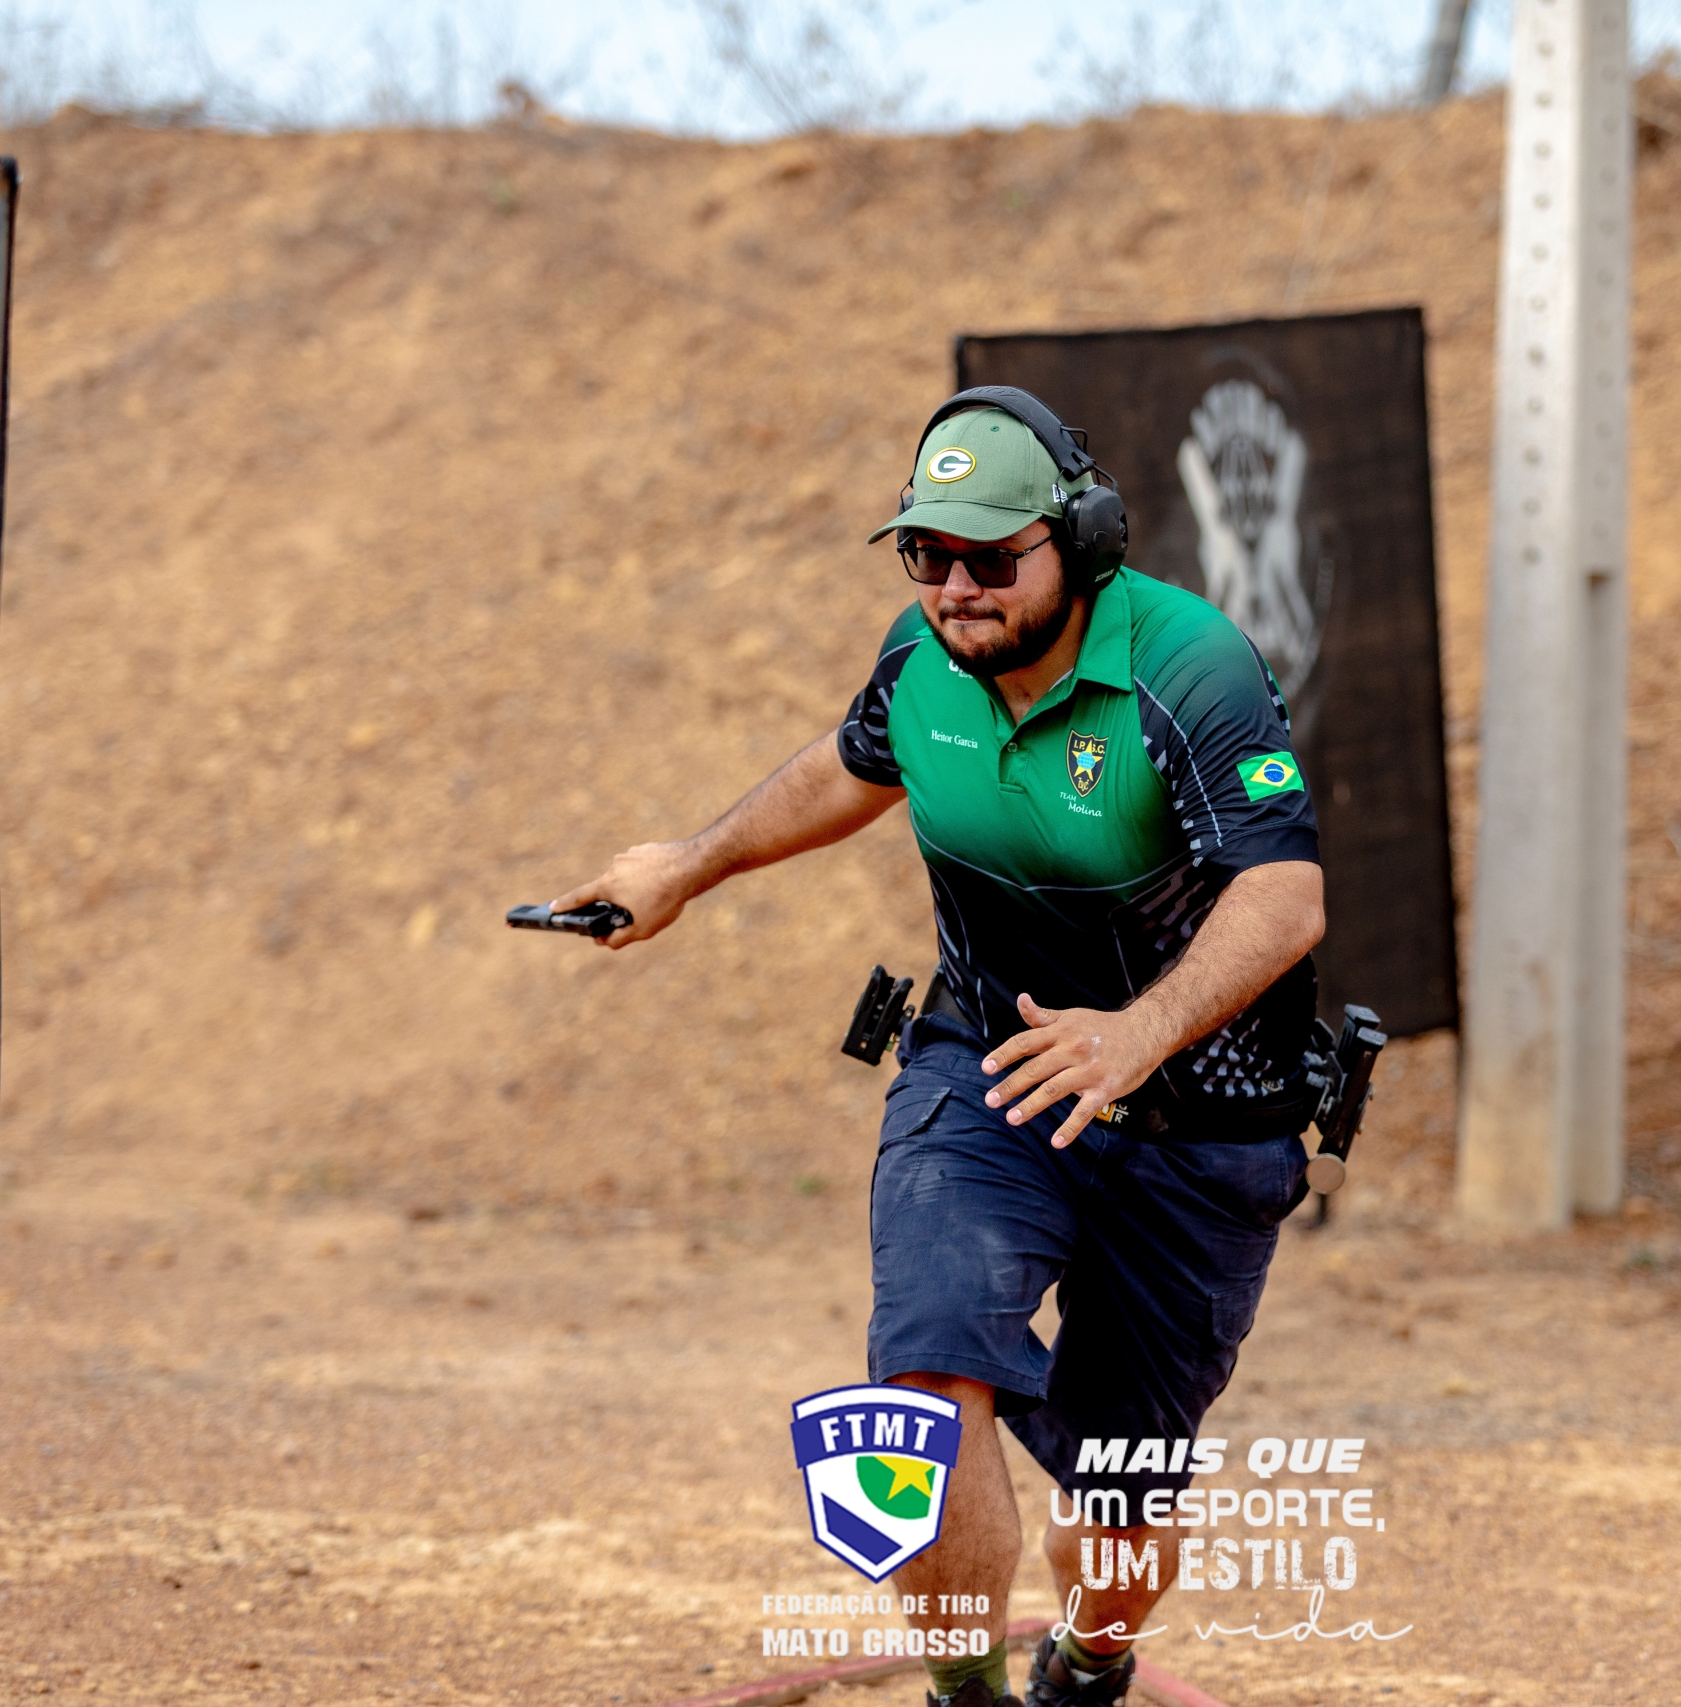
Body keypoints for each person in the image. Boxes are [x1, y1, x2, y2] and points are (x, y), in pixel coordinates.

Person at [554, 388, 1326, 1707]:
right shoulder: (922, 657)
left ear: (1080, 542)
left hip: (1198, 1121)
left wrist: (1136, 1035)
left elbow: (1286, 895)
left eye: (990, 557)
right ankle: (964, 1689)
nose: (955, 587)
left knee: (1117, 1509)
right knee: (923, 1384)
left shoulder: (1188, 666)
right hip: (988, 1073)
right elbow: (852, 763)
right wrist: (689, 862)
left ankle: (1088, 1665)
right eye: (926, 553)